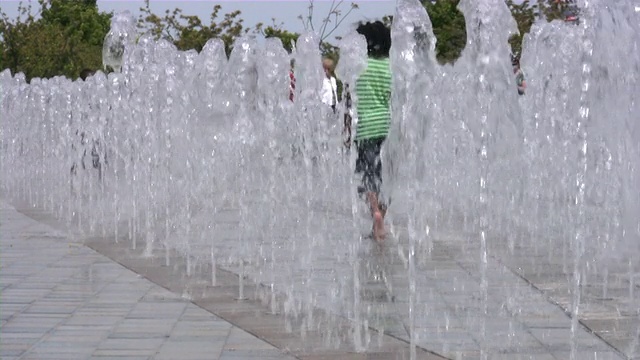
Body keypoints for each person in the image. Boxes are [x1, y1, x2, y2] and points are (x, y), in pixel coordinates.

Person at [350, 21, 392, 242]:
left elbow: (351, 100)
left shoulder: (360, 67)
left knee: (370, 176)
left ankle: (374, 212)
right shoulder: (390, 67)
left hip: (365, 128)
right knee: (388, 176)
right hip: (387, 127)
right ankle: (381, 218)